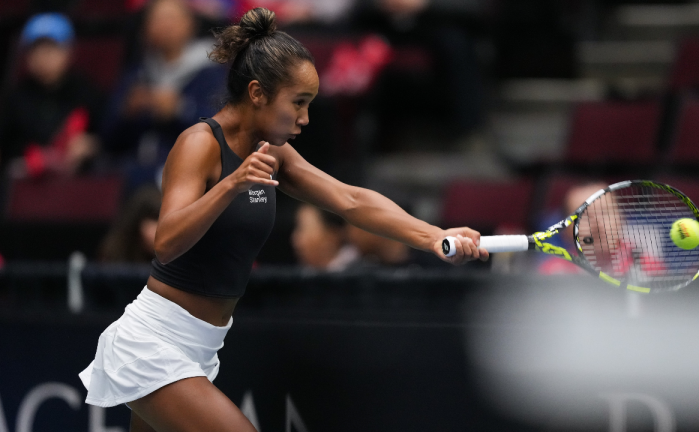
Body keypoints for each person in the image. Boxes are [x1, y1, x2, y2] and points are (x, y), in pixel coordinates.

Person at [78, 8, 486, 431]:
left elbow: (349, 199)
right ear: (257, 93)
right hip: (154, 342)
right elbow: (166, 241)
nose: (305, 119)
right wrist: (229, 185)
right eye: (298, 103)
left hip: (200, 347)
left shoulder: (273, 151)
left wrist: (434, 235)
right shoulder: (198, 144)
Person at [101, 0, 227, 190]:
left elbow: (224, 128)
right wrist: (127, 113)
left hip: (192, 171)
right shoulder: (138, 73)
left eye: (171, 18)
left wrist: (180, 110)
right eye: (156, 20)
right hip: (136, 171)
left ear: (190, 24)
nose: (164, 26)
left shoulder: (212, 72)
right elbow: (107, 139)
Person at [0, 13, 103, 177]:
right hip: (26, 183)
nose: (43, 57)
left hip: (76, 181)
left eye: (51, 48)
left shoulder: (86, 91)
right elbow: (8, 147)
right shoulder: (15, 99)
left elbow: (106, 137)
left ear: (69, 51)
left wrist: (91, 145)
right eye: (36, 49)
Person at [99, 185, 163, 263]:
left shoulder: (177, 262)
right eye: (155, 219)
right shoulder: (112, 257)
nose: (163, 230)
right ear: (135, 224)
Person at [291, 203, 358, 270]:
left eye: (303, 229)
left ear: (332, 235)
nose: (296, 239)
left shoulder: (356, 270)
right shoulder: (305, 274)